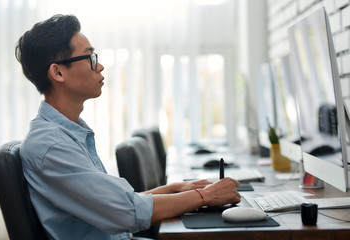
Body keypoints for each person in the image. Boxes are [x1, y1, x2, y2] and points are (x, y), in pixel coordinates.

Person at [16, 14, 241, 240]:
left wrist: (176, 189)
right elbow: (127, 212)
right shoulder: (50, 145)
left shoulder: (67, 132)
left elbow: (116, 203)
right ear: (58, 72)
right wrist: (206, 197)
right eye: (90, 58)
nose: (100, 66)